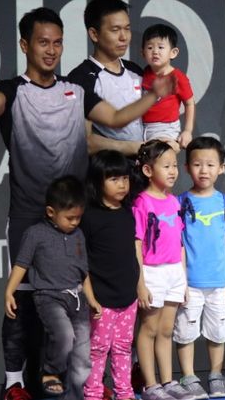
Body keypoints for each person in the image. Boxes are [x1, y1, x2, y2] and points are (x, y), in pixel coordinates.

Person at [0, 7, 172, 400]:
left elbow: (114, 117)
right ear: (25, 45)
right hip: (30, 215)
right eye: (43, 42)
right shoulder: (12, 90)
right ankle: (14, 383)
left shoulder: (76, 91)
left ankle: (82, 382)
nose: (51, 50)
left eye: (57, 42)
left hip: (77, 216)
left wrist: (151, 97)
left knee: (79, 300)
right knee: (26, 297)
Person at [3, 176, 101, 400]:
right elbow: (21, 264)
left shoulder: (78, 235)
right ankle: (50, 371)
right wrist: (9, 291)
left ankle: (74, 396)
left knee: (82, 357)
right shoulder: (35, 234)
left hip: (77, 299)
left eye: (78, 217)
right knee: (64, 336)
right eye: (70, 218)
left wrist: (92, 299)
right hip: (49, 297)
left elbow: (83, 272)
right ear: (50, 212)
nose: (75, 222)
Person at [174, 137, 225, 398]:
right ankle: (188, 377)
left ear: (222, 168)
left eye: (210, 164)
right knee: (185, 333)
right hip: (189, 284)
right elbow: (177, 245)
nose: (203, 170)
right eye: (197, 164)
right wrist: (179, 282)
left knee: (218, 332)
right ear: (186, 168)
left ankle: (216, 375)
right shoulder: (179, 203)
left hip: (219, 284)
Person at [68, 0, 179, 156]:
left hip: (145, 173)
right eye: (115, 30)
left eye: (127, 28)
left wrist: (169, 142)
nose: (124, 37)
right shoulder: (81, 79)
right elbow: (86, 142)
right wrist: (139, 148)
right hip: (110, 175)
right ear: (94, 34)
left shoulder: (136, 70)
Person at [132, 140, 192, 400]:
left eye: (175, 166)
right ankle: (151, 385)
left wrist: (184, 278)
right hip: (152, 272)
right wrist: (141, 282)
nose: (172, 171)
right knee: (149, 329)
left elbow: (179, 243)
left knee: (167, 330)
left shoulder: (174, 202)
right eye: (166, 166)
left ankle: (167, 381)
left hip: (174, 274)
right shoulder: (141, 203)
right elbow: (136, 245)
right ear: (147, 170)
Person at [80, 150, 141, 400]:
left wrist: (138, 288)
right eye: (114, 179)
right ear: (97, 181)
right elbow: (80, 262)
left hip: (128, 297)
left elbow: (132, 254)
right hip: (101, 300)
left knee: (123, 347)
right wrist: (91, 297)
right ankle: (93, 393)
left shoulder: (128, 212)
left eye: (125, 178)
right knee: (97, 349)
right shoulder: (89, 217)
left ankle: (124, 393)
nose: (122, 184)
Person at [140, 24, 196, 148]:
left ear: (173, 53)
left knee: (159, 159)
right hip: (141, 127)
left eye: (160, 47)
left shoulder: (178, 77)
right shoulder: (142, 74)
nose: (155, 51)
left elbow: (189, 103)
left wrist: (187, 131)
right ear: (143, 53)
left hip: (166, 128)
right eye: (149, 47)